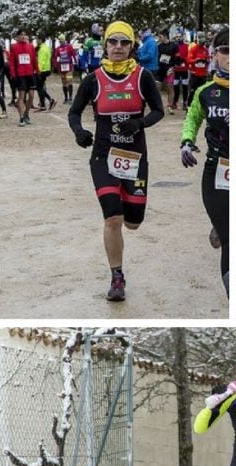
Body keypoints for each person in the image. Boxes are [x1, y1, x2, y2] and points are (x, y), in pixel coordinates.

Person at [68, 20, 164, 301]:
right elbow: (74, 113)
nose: (118, 47)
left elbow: (159, 111)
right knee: (113, 218)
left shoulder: (143, 76)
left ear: (132, 46)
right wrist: (79, 132)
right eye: (113, 42)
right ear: (105, 45)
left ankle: (127, 206)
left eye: (124, 42)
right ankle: (117, 277)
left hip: (134, 157)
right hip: (103, 156)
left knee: (133, 223)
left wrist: (140, 123)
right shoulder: (93, 79)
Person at [180, 28, 230, 296]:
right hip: (216, 168)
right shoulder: (205, 92)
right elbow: (192, 119)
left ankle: (221, 221)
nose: (230, 56)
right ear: (215, 55)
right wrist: (186, 142)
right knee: (229, 238)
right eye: (224, 50)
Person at [9, 28, 39, 126]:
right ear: (17, 37)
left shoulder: (30, 47)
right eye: (21, 34)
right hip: (20, 75)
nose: (23, 36)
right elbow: (12, 62)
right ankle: (21, 117)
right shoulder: (14, 47)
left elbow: (34, 59)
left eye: (25, 34)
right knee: (21, 96)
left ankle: (26, 113)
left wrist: (37, 70)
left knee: (31, 96)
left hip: (30, 74)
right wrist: (13, 74)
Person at [156, 30, 178, 114]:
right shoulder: (159, 46)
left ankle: (170, 106)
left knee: (170, 88)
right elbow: (157, 58)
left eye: (160, 36)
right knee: (157, 87)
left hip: (170, 69)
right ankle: (158, 106)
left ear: (165, 36)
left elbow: (177, 59)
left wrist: (172, 68)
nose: (159, 38)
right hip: (161, 69)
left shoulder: (174, 45)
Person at [187, 32, 211, 107]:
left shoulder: (205, 49)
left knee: (202, 91)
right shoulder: (193, 49)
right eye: (200, 38)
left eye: (203, 37)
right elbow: (188, 60)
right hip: (195, 74)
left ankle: (201, 106)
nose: (202, 40)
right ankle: (189, 106)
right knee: (193, 91)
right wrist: (196, 60)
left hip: (203, 74)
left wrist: (206, 61)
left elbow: (208, 59)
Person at [35, 34, 57, 111]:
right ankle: (43, 104)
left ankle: (50, 100)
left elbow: (41, 61)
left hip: (43, 70)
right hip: (46, 69)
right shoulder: (46, 48)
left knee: (39, 88)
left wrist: (39, 70)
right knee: (40, 87)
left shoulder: (42, 49)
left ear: (41, 40)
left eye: (37, 39)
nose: (36, 41)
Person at [54, 33, 77, 103]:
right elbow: (56, 58)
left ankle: (70, 97)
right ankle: (66, 98)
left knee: (69, 82)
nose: (61, 42)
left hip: (69, 68)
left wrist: (75, 63)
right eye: (60, 41)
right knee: (64, 83)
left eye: (62, 41)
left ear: (65, 40)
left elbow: (73, 55)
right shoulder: (58, 49)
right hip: (62, 68)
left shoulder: (69, 47)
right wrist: (56, 66)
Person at [172, 32, 190, 110]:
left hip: (184, 69)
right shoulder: (173, 46)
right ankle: (175, 102)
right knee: (176, 87)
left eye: (180, 37)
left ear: (182, 37)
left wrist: (183, 59)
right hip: (176, 70)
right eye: (177, 37)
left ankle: (185, 103)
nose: (178, 38)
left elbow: (189, 57)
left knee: (185, 87)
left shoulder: (186, 46)